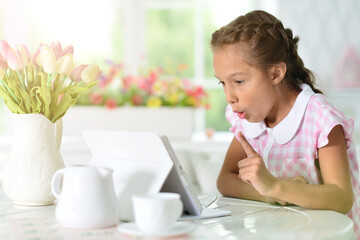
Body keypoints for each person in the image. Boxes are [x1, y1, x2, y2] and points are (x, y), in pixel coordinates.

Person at [211, 10, 359, 238]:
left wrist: (274, 186)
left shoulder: (320, 118)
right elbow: (225, 181)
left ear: (276, 73)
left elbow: (342, 198)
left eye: (238, 81)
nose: (229, 96)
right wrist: (267, 194)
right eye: (223, 82)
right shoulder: (248, 118)